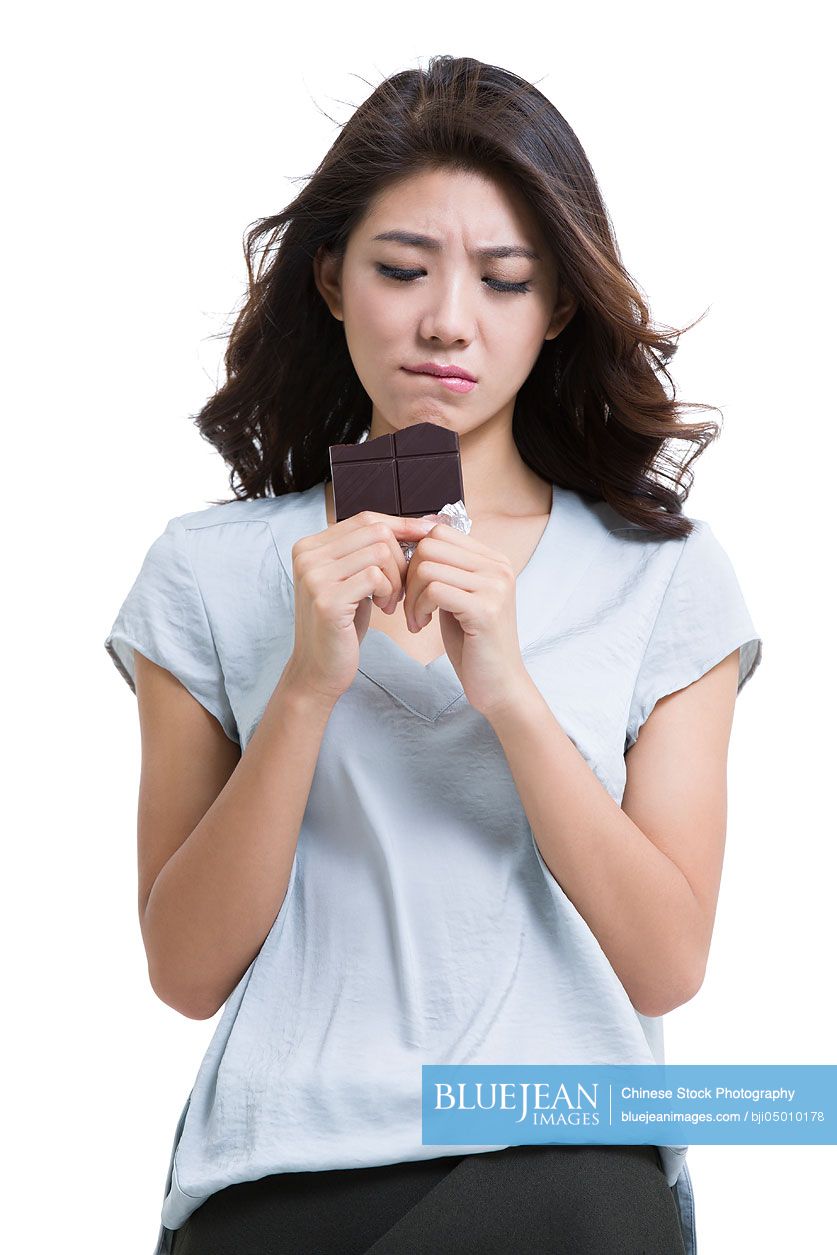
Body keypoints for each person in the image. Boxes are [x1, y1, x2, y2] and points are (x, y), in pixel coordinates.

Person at [104, 55, 762, 1255]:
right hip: (279, 1173)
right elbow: (185, 970)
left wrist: (506, 686)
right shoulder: (208, 571)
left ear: (556, 306)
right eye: (403, 269)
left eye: (504, 279)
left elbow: (667, 962)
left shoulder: (661, 573)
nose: (448, 317)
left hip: (570, 1170)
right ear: (334, 279)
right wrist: (306, 686)